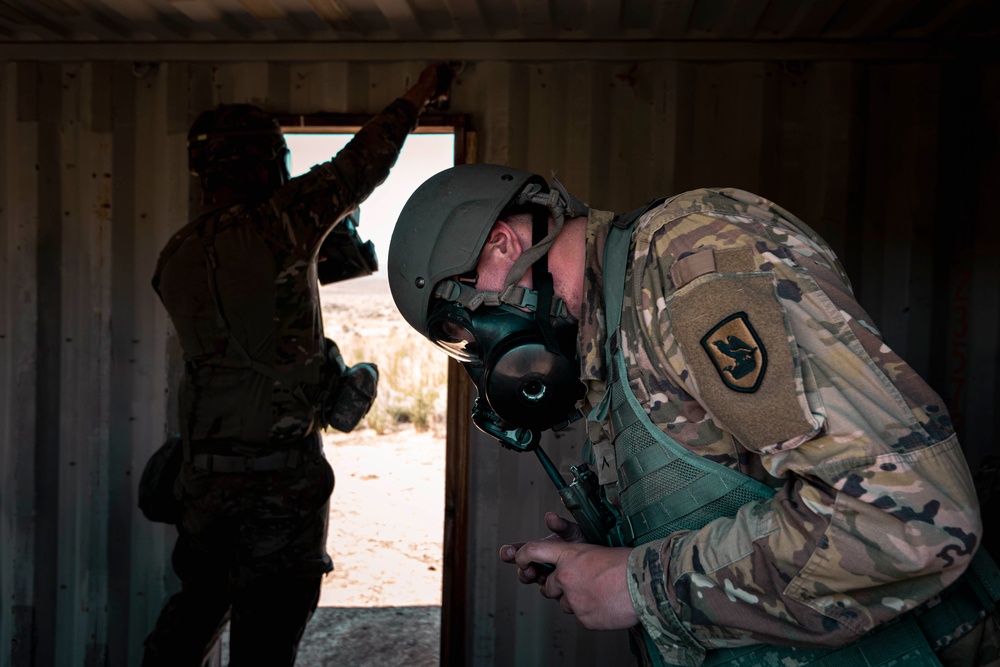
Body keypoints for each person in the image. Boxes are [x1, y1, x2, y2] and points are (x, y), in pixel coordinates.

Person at [386, 163, 1000, 666]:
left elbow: (908, 516)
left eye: (462, 327)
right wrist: (612, 549)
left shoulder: (689, 261)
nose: (479, 352)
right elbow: (739, 488)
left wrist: (639, 584)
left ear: (503, 243)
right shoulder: (611, 335)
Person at [142, 64, 450, 666]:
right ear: (265, 165)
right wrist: (417, 94)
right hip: (277, 488)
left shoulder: (175, 254)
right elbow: (361, 165)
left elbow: (245, 313)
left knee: (193, 614)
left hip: (202, 483)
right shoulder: (279, 224)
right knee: (266, 639)